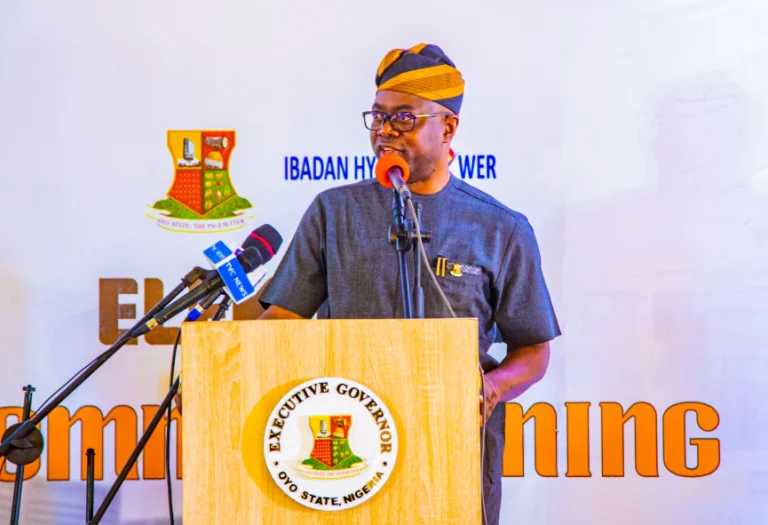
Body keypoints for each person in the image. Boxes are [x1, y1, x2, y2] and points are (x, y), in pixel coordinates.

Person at [258, 43, 560, 525]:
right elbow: (282, 320)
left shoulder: (501, 228)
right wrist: (230, 367)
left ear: (449, 128)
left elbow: (533, 350)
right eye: (378, 117)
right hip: (347, 448)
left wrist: (490, 387)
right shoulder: (334, 211)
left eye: (403, 118)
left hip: (453, 450)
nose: (384, 132)